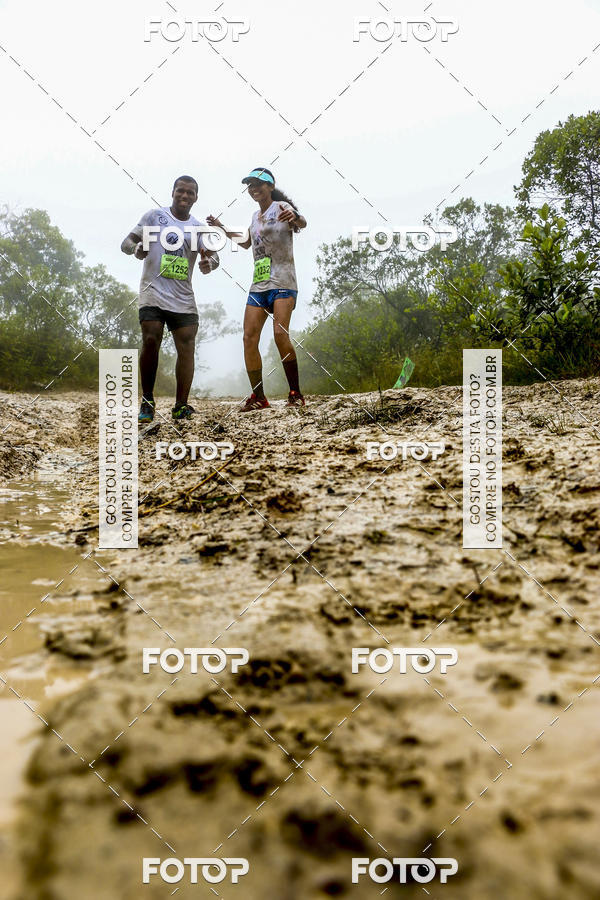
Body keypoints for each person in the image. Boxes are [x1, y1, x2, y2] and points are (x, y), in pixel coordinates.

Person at [121, 175, 219, 423]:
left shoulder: (198, 228)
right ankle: (147, 401)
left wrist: (209, 263)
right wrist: (136, 249)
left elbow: (215, 257)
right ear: (173, 192)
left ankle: (181, 406)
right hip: (152, 291)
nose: (184, 195)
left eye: (190, 192)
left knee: (186, 346)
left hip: (182, 297)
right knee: (151, 339)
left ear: (196, 197)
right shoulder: (154, 216)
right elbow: (126, 242)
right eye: (180, 191)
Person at [207, 167, 307, 411]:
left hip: (283, 282)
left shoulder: (281, 207)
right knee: (249, 338)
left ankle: (295, 393)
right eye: (250, 185)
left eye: (258, 184)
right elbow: (245, 243)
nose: (253, 189)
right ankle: (259, 397)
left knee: (280, 334)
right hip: (259, 285)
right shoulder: (255, 216)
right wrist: (221, 227)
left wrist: (295, 216)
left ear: (270, 186)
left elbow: (302, 222)